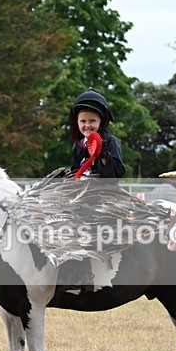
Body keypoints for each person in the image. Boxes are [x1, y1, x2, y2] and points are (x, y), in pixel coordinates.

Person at [57, 89, 126, 292]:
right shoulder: (79, 145)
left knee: (83, 220)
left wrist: (103, 155)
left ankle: (84, 274)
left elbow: (116, 174)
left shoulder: (111, 142)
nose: (87, 125)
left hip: (104, 193)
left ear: (101, 122)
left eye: (92, 121)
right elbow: (73, 170)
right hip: (80, 192)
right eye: (83, 121)